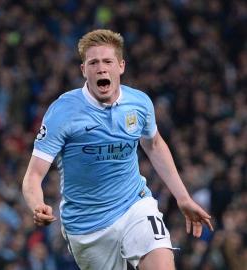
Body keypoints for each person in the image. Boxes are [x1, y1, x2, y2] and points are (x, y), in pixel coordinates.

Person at [22, 29, 214, 270]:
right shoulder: (62, 112)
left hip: (134, 205)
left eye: (107, 61)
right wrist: (37, 204)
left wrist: (183, 197)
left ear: (120, 66)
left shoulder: (139, 103)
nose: (101, 68)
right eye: (93, 62)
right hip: (87, 226)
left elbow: (154, 145)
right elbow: (33, 175)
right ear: (84, 70)